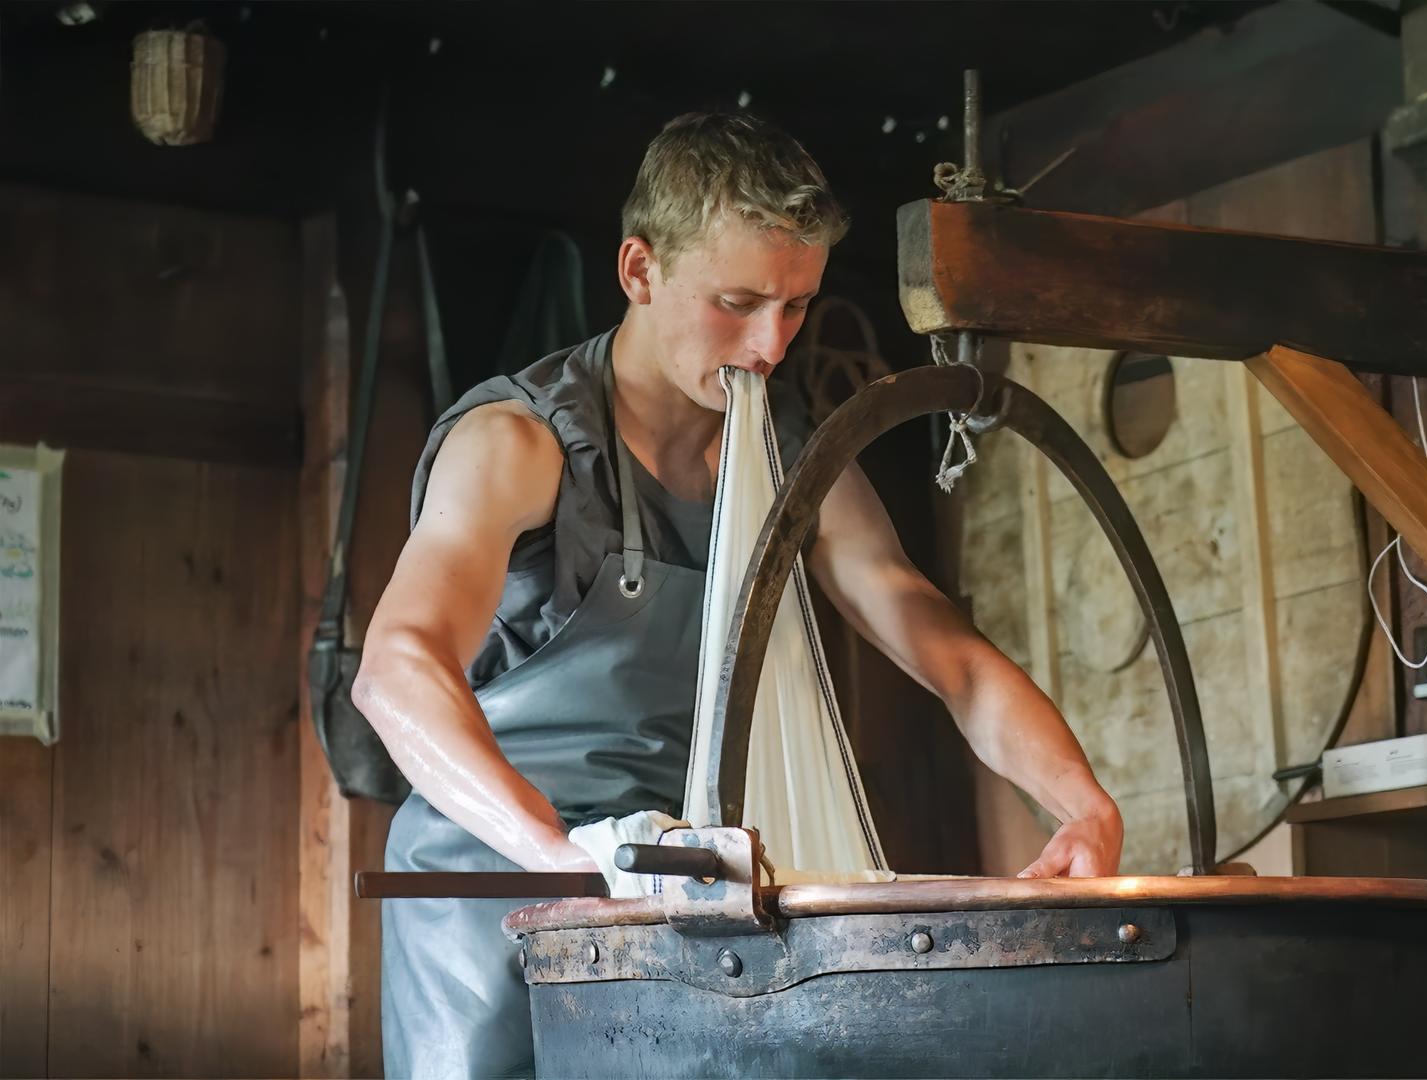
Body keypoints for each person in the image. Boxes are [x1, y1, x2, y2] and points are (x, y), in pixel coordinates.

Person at [353, 111, 1125, 1079]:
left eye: (796, 308)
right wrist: (561, 855)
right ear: (640, 271)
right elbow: (394, 672)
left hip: (680, 887)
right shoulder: (519, 445)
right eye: (737, 302)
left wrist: (1083, 804)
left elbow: (946, 651)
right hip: (495, 888)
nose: (768, 344)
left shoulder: (790, 466)